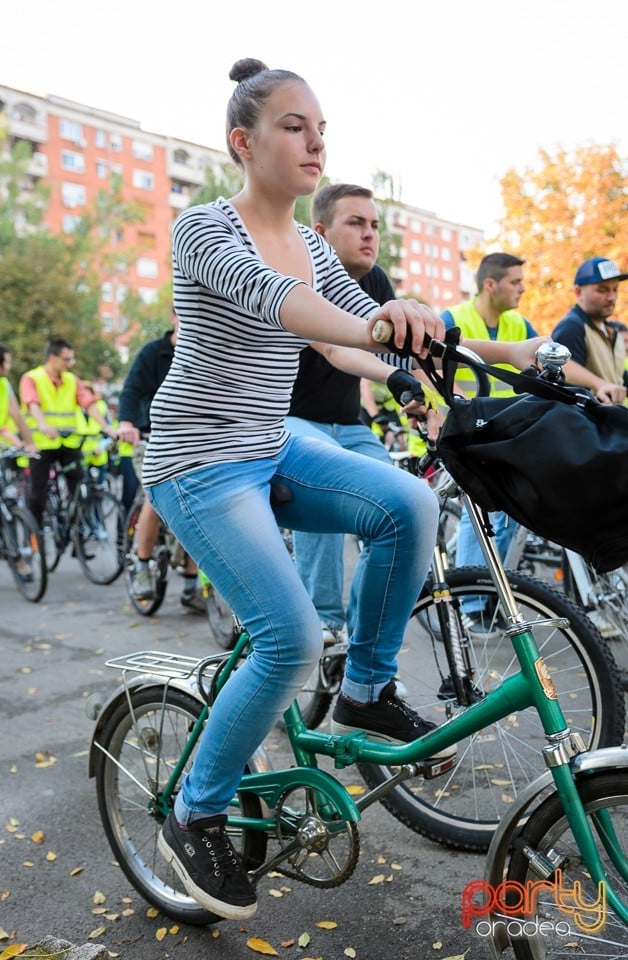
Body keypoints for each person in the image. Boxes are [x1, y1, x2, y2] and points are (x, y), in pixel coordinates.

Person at [142, 57, 545, 922]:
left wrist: (421, 355)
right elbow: (283, 306)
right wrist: (372, 321)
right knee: (286, 638)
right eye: (295, 126)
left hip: (271, 440)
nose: (315, 140)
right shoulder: (205, 229)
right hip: (199, 457)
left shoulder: (317, 246)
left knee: (409, 504)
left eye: (321, 128)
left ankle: (365, 687)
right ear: (242, 142)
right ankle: (194, 809)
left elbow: (344, 348)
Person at [285, 183, 432, 644]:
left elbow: (401, 352)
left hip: (350, 424)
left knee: (408, 505)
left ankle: (364, 642)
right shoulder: (296, 274)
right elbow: (334, 348)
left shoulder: (376, 282)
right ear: (320, 232)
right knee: (326, 485)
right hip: (291, 421)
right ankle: (325, 622)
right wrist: (395, 378)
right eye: (356, 223)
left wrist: (421, 395)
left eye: (375, 225)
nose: (370, 234)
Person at [440, 253, 538, 619]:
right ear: (490, 284)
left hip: (501, 434)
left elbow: (542, 355)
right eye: (516, 281)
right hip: (460, 432)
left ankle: (494, 592)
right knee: (477, 507)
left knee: (513, 509)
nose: (523, 288)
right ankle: (471, 605)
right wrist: (436, 412)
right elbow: (420, 362)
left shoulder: (518, 325)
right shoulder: (451, 320)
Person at [117, 317, 207, 612]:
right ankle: (142, 565)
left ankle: (192, 585)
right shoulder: (153, 353)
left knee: (202, 505)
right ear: (174, 316)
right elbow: (131, 390)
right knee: (157, 497)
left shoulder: (204, 349)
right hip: (150, 439)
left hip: (191, 443)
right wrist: (127, 422)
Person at [19, 338, 117, 525]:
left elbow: (88, 403)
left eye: (72, 359)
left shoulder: (72, 380)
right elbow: (32, 403)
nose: (70, 364)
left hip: (68, 443)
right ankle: (35, 539)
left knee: (80, 487)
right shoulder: (32, 378)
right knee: (37, 495)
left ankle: (77, 535)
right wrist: (43, 424)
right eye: (67, 359)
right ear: (52, 357)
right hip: (42, 444)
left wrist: (106, 427)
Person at [551, 256, 628, 404]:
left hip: (612, 422)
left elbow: (616, 376)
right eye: (602, 290)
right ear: (578, 292)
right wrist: (600, 385)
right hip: (587, 424)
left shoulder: (611, 330)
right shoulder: (571, 328)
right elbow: (562, 373)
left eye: (615, 289)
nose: (612, 297)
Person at [0, 342, 36, 453]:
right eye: (7, 363)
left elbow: (17, 417)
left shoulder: (3, 385)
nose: (10, 367)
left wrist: (30, 443)